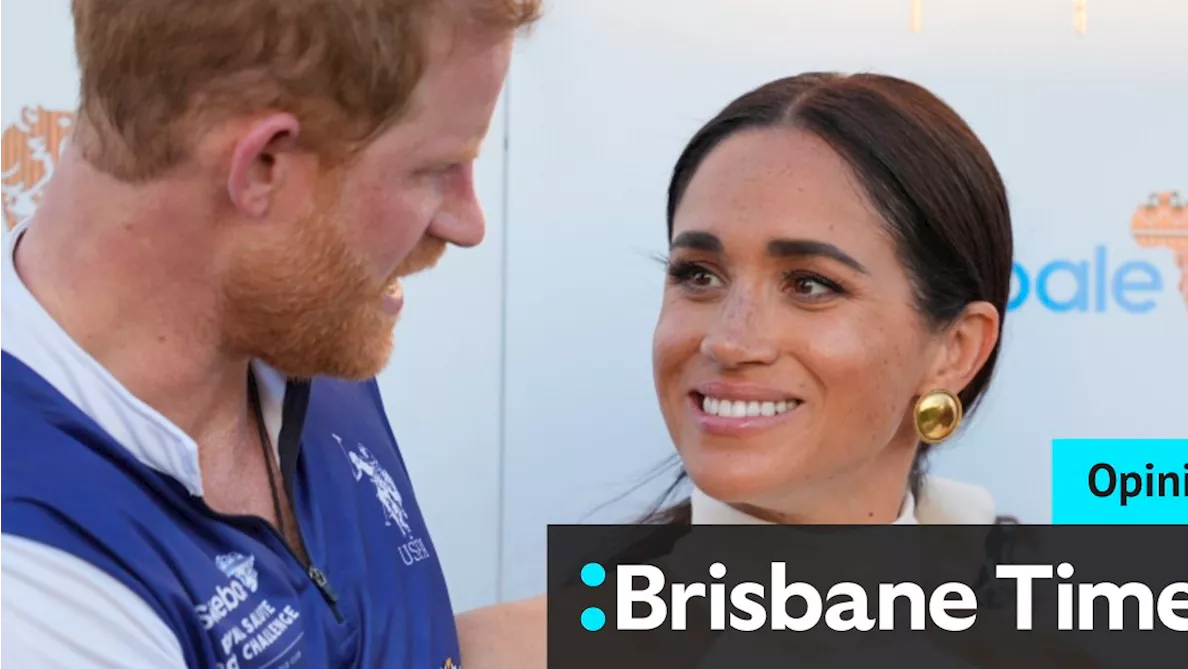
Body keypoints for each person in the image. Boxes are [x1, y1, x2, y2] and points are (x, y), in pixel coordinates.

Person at [0, 0, 539, 667]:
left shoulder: (290, 317)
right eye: (436, 170)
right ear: (264, 166)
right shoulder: (36, 595)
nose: (467, 221)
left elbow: (404, 644)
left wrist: (693, 600)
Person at [454, 71, 1042, 667]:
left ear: (957, 350)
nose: (729, 341)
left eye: (810, 284)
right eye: (698, 275)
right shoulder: (502, 655)